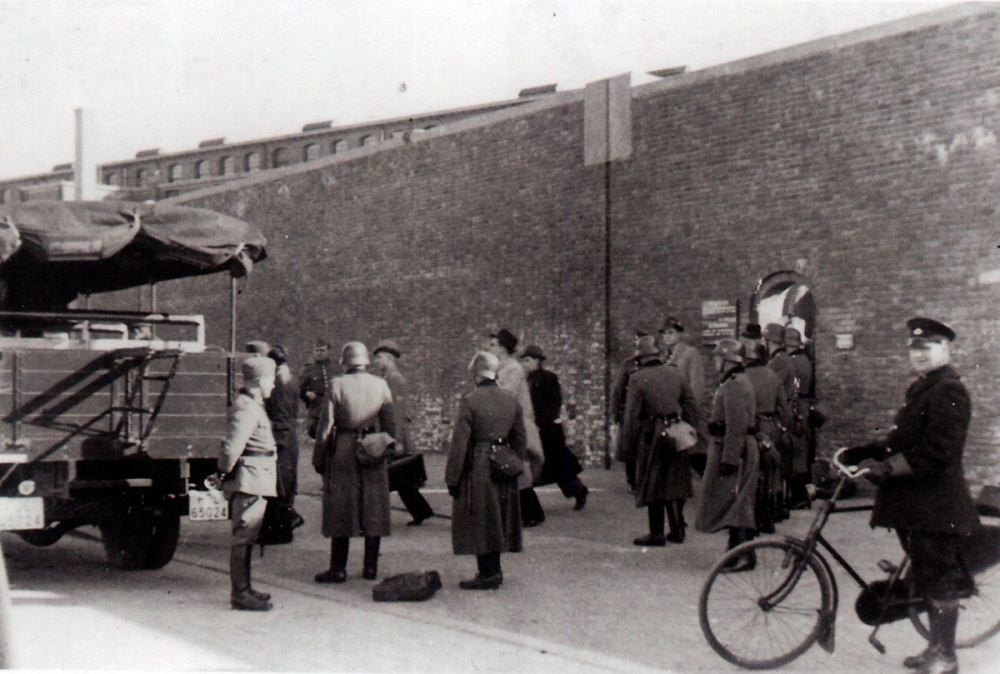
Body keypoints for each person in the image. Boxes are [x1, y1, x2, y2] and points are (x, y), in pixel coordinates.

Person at [842, 317, 977, 674]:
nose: (919, 354)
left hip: (937, 504)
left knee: (937, 578)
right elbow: (902, 441)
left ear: (946, 348)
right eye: (914, 348)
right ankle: (933, 647)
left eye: (927, 346)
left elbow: (938, 451)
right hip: (918, 504)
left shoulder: (949, 390)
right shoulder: (924, 388)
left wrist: (887, 469)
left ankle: (946, 656)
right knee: (926, 574)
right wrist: (864, 451)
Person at [311, 342, 396, 584]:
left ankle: (338, 569)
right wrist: (384, 448)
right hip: (372, 447)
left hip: (344, 449)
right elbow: (390, 426)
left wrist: (319, 458)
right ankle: (370, 568)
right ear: (365, 362)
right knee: (374, 507)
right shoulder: (381, 385)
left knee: (341, 509)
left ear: (345, 362)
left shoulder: (336, 384)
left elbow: (325, 427)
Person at [445, 351, 527, 590]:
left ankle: (487, 574)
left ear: (476, 375)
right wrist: (513, 463)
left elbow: (460, 443)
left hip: (479, 462)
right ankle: (496, 570)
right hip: (503, 461)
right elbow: (520, 439)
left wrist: (453, 477)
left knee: (481, 517)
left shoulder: (470, 400)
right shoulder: (511, 400)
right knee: (499, 516)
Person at [620, 335, 699, 546]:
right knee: (675, 480)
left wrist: (628, 448)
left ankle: (656, 533)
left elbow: (631, 417)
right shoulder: (676, 373)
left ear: (640, 358)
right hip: (676, 430)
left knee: (653, 481)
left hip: (652, 433)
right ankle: (678, 529)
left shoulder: (637, 378)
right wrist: (688, 430)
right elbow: (691, 406)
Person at [218, 355, 278, 611]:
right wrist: (223, 473)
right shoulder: (246, 407)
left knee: (249, 534)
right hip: (249, 479)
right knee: (244, 535)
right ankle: (240, 593)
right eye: (271, 380)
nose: (274, 386)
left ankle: (246, 588)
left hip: (257, 477)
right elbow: (233, 447)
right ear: (261, 380)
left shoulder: (254, 404)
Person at [696, 339, 760, 572]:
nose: (715, 362)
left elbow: (736, 425)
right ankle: (740, 553)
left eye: (717, 358)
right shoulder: (736, 381)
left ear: (727, 359)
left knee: (737, 501)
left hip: (734, 449)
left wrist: (730, 459)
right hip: (734, 447)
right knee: (736, 502)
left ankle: (741, 555)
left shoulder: (734, 384)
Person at [372, 339, 435, 527]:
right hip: (391, 434)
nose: (376, 361)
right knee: (402, 478)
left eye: (380, 357)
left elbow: (397, 411)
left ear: (390, 358)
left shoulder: (394, 380)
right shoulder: (387, 379)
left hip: (394, 436)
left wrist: (396, 440)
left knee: (390, 476)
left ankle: (377, 517)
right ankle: (421, 511)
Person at [487, 328, 545, 527]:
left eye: (494, 345)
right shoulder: (500, 367)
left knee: (517, 467)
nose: (490, 348)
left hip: (516, 424)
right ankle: (529, 512)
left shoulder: (513, 368)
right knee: (513, 467)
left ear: (504, 348)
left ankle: (531, 512)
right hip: (507, 422)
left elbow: (505, 396)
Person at [519, 344, 589, 511]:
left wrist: (540, 422)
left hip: (549, 431)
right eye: (523, 361)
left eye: (528, 360)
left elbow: (554, 404)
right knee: (542, 465)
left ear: (537, 361)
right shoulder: (525, 379)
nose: (525, 364)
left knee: (559, 466)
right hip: (535, 428)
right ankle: (527, 501)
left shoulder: (548, 378)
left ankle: (579, 491)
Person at [742, 342, 790, 535]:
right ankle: (768, 520)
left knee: (751, 473)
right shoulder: (774, 377)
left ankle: (751, 520)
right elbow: (784, 408)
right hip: (770, 428)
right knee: (770, 473)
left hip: (751, 428)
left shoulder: (742, 378)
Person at [260, 345, 305, 543]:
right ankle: (283, 528)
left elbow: (279, 414)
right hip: (290, 435)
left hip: (281, 437)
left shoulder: (278, 382)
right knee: (285, 484)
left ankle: (281, 529)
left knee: (278, 485)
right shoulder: (290, 379)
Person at [611, 330, 649, 492]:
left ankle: (644, 480)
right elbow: (618, 390)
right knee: (629, 446)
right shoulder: (628, 365)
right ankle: (632, 481)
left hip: (646, 411)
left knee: (645, 447)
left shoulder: (651, 364)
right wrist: (615, 412)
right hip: (629, 411)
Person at [764, 322, 795, 518]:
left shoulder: (779, 362)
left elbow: (769, 387)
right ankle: (778, 505)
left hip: (779, 417)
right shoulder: (781, 358)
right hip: (782, 415)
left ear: (770, 341)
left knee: (774, 464)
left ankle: (776, 507)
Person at [784, 326, 814, 510]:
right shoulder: (805, 360)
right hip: (804, 407)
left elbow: (793, 389)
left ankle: (800, 496)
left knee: (796, 453)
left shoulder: (794, 362)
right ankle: (801, 495)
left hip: (797, 408)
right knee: (801, 452)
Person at [299, 338, 342, 439]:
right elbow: (300, 390)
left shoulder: (336, 368)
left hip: (335, 408)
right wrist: (307, 395)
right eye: (317, 350)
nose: (319, 353)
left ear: (328, 351)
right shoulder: (308, 369)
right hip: (317, 411)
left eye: (322, 350)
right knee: (321, 441)